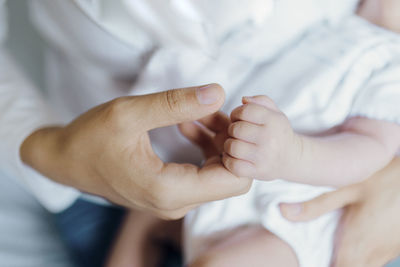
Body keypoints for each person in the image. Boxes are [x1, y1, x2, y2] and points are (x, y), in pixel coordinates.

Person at [0, 0, 399, 266]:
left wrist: (291, 155)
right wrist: (44, 146)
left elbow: (369, 151)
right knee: (146, 225)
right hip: (124, 176)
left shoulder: (386, 64)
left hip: (294, 214)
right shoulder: (347, 34)